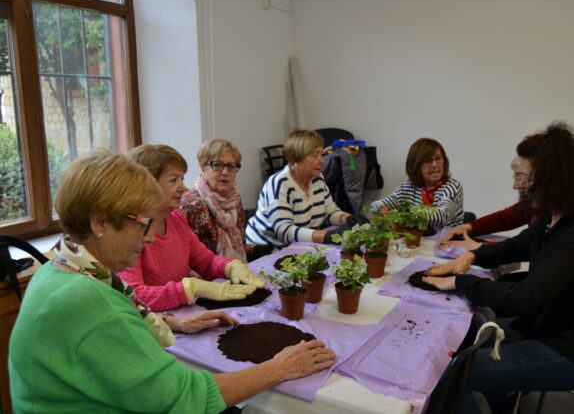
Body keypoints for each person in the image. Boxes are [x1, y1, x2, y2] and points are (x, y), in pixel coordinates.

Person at [8, 149, 336, 413]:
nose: (150, 238)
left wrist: (174, 323)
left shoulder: (62, 267)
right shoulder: (88, 301)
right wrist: (279, 368)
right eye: (142, 224)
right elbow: (187, 399)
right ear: (100, 222)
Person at [423, 122, 574, 414]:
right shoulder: (554, 217)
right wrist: (471, 258)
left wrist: (461, 282)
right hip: (546, 326)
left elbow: (524, 297)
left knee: (447, 374)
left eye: (523, 178)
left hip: (573, 351)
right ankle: (503, 405)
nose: (516, 185)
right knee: (458, 342)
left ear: (553, 180)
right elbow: (514, 246)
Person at [118, 145, 264, 312]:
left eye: (182, 179)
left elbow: (205, 261)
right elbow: (133, 295)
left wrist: (229, 266)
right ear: (148, 185)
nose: (183, 188)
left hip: (181, 315)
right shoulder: (129, 233)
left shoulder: (176, 220)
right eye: (174, 180)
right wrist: (189, 289)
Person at [245, 130, 357, 246]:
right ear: (296, 159)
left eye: (321, 154)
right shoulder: (280, 183)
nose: (321, 160)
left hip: (297, 245)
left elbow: (329, 212)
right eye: (315, 155)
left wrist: (346, 218)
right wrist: (326, 236)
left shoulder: (317, 178)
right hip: (265, 247)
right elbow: (284, 231)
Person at [180, 139, 273, 261]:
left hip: (235, 269)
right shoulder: (192, 204)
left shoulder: (234, 198)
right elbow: (189, 259)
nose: (225, 172)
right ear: (203, 167)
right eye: (217, 165)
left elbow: (242, 242)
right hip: (206, 276)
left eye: (231, 166)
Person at [439, 156, 535, 250]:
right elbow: (505, 219)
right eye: (517, 178)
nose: (515, 186)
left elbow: (528, 247)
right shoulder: (532, 205)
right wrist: (467, 227)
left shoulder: (545, 213)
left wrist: (481, 246)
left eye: (523, 178)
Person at [370, 137, 464, 228]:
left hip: (448, 241)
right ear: (415, 165)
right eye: (427, 161)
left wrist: (404, 214)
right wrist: (381, 209)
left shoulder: (452, 186)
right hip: (418, 241)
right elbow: (373, 206)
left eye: (438, 158)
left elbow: (443, 216)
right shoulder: (407, 188)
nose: (435, 165)